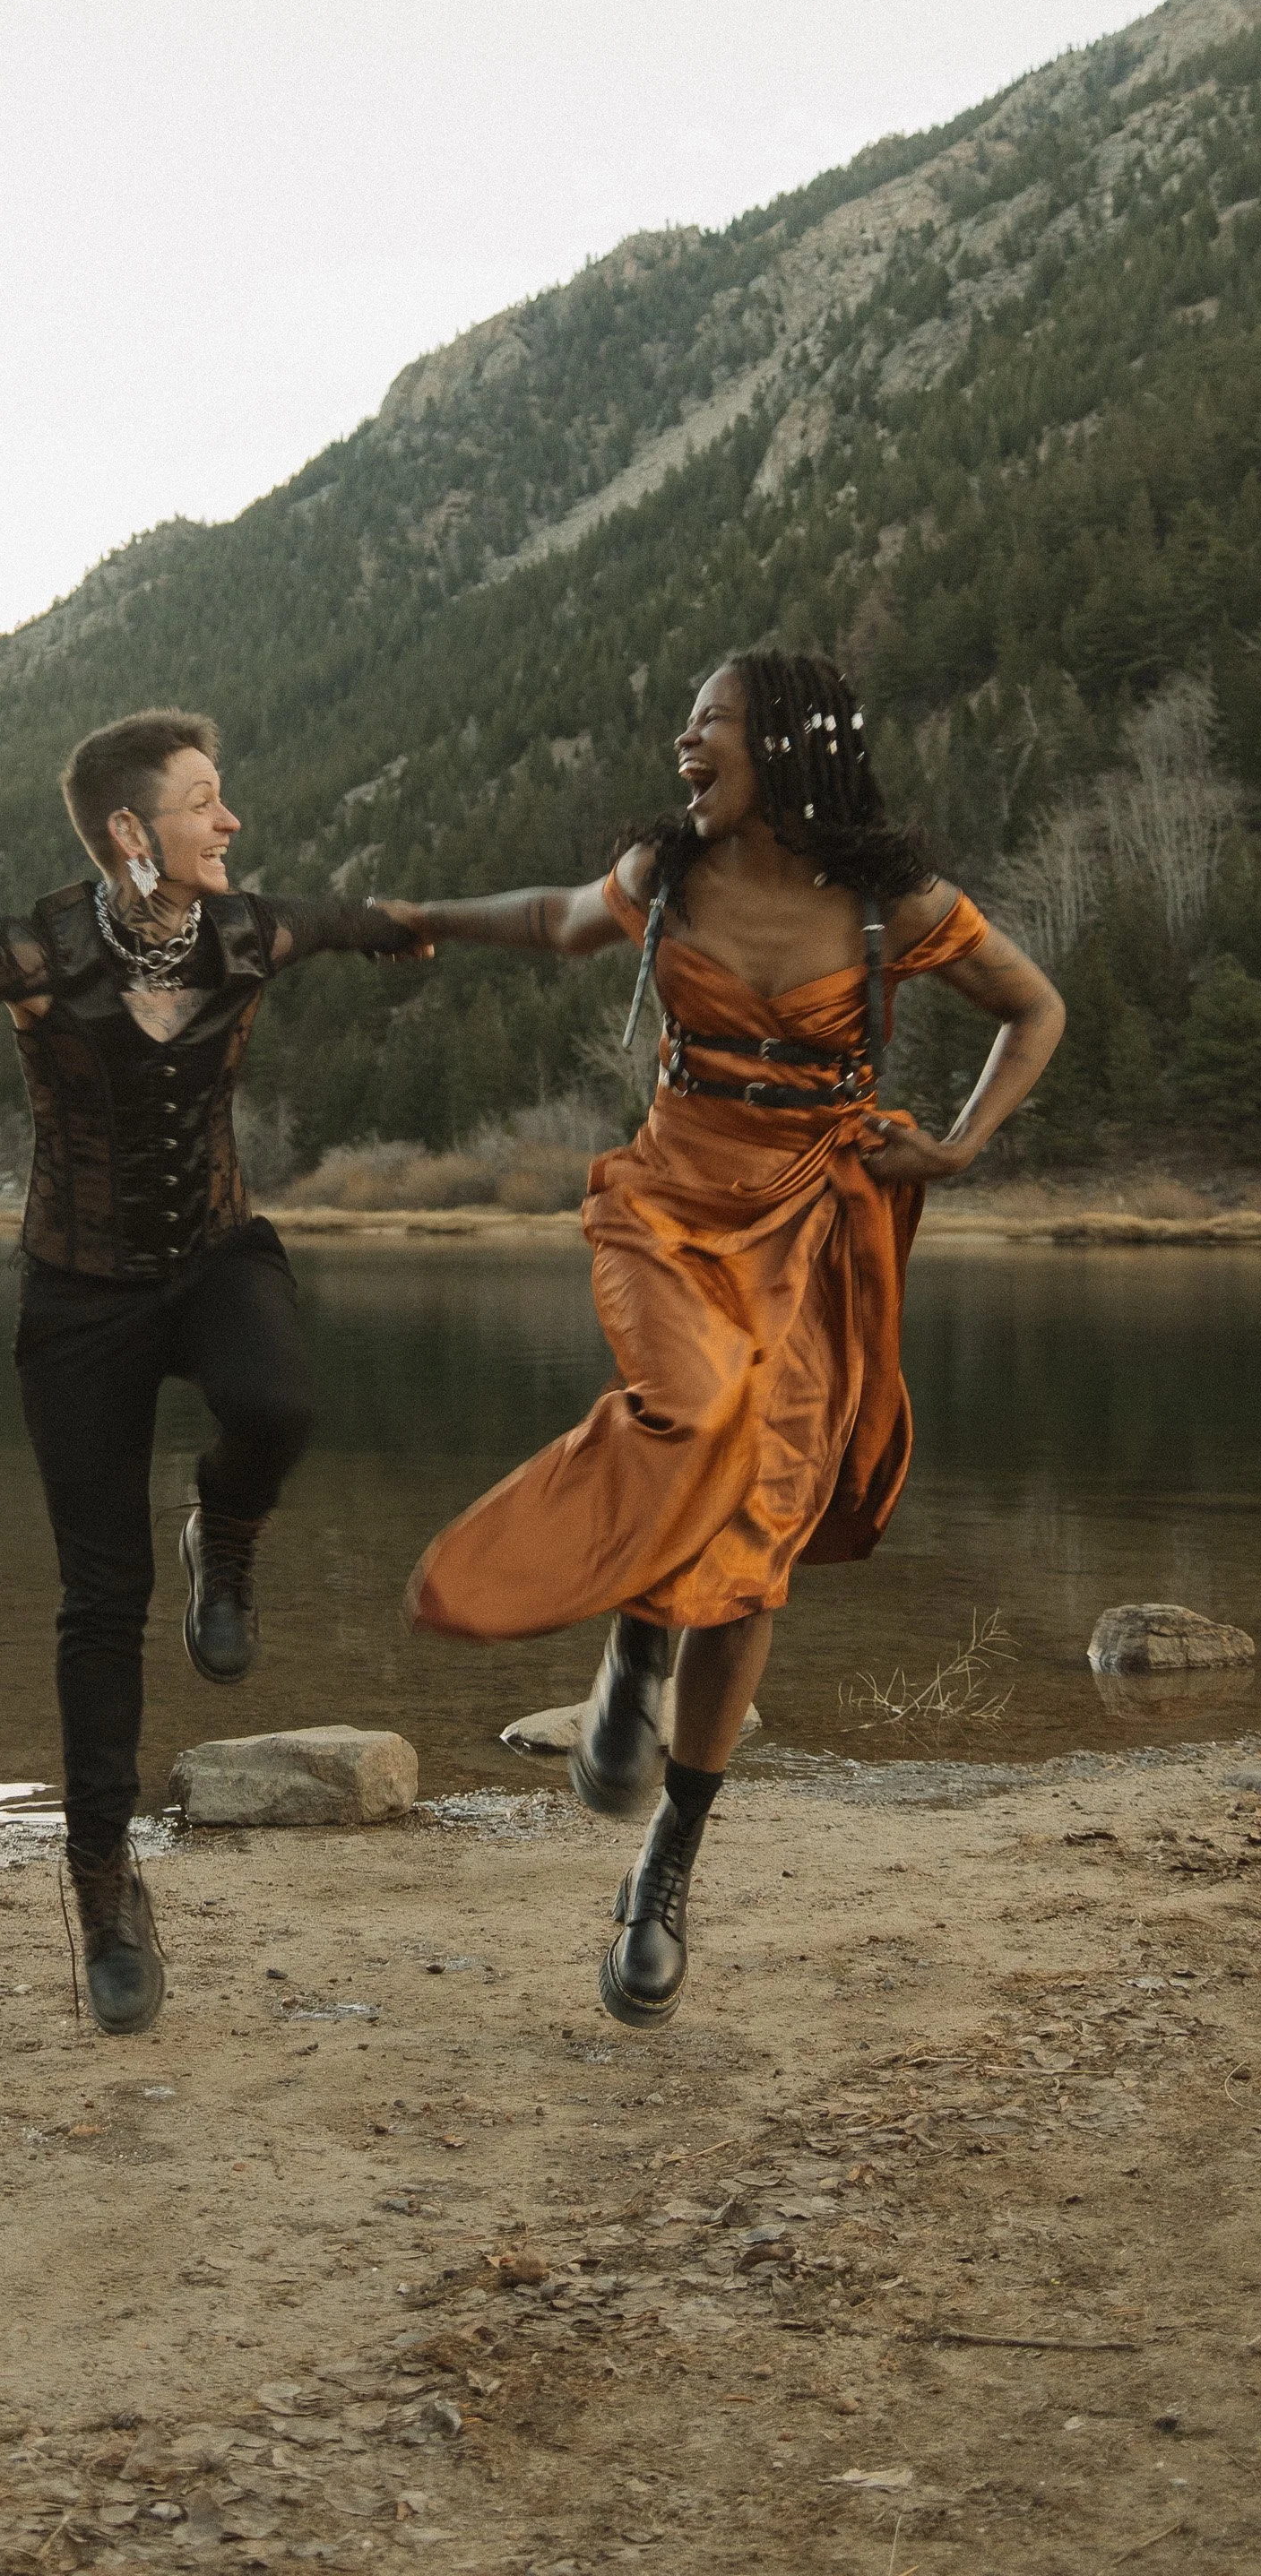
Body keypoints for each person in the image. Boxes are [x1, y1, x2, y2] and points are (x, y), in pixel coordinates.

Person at [377, 651, 1064, 2030]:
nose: (684, 740)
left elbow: (1034, 1008)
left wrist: (958, 1150)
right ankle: (635, 1640)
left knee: (753, 1553)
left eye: (712, 722)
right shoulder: (666, 874)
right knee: (693, 1409)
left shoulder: (892, 901)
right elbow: (560, 917)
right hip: (672, 1201)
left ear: (788, 745)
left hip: (818, 1220)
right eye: (686, 721)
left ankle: (663, 1875)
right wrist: (423, 917)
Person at [0, 709, 423, 2035]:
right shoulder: (35, 952)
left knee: (278, 1404)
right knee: (98, 1601)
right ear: (129, 831)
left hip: (218, 1254)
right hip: (80, 1296)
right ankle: (104, 1880)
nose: (231, 823)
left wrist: (561, 912)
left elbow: (378, 918)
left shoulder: (248, 931)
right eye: (206, 802)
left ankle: (224, 1536)